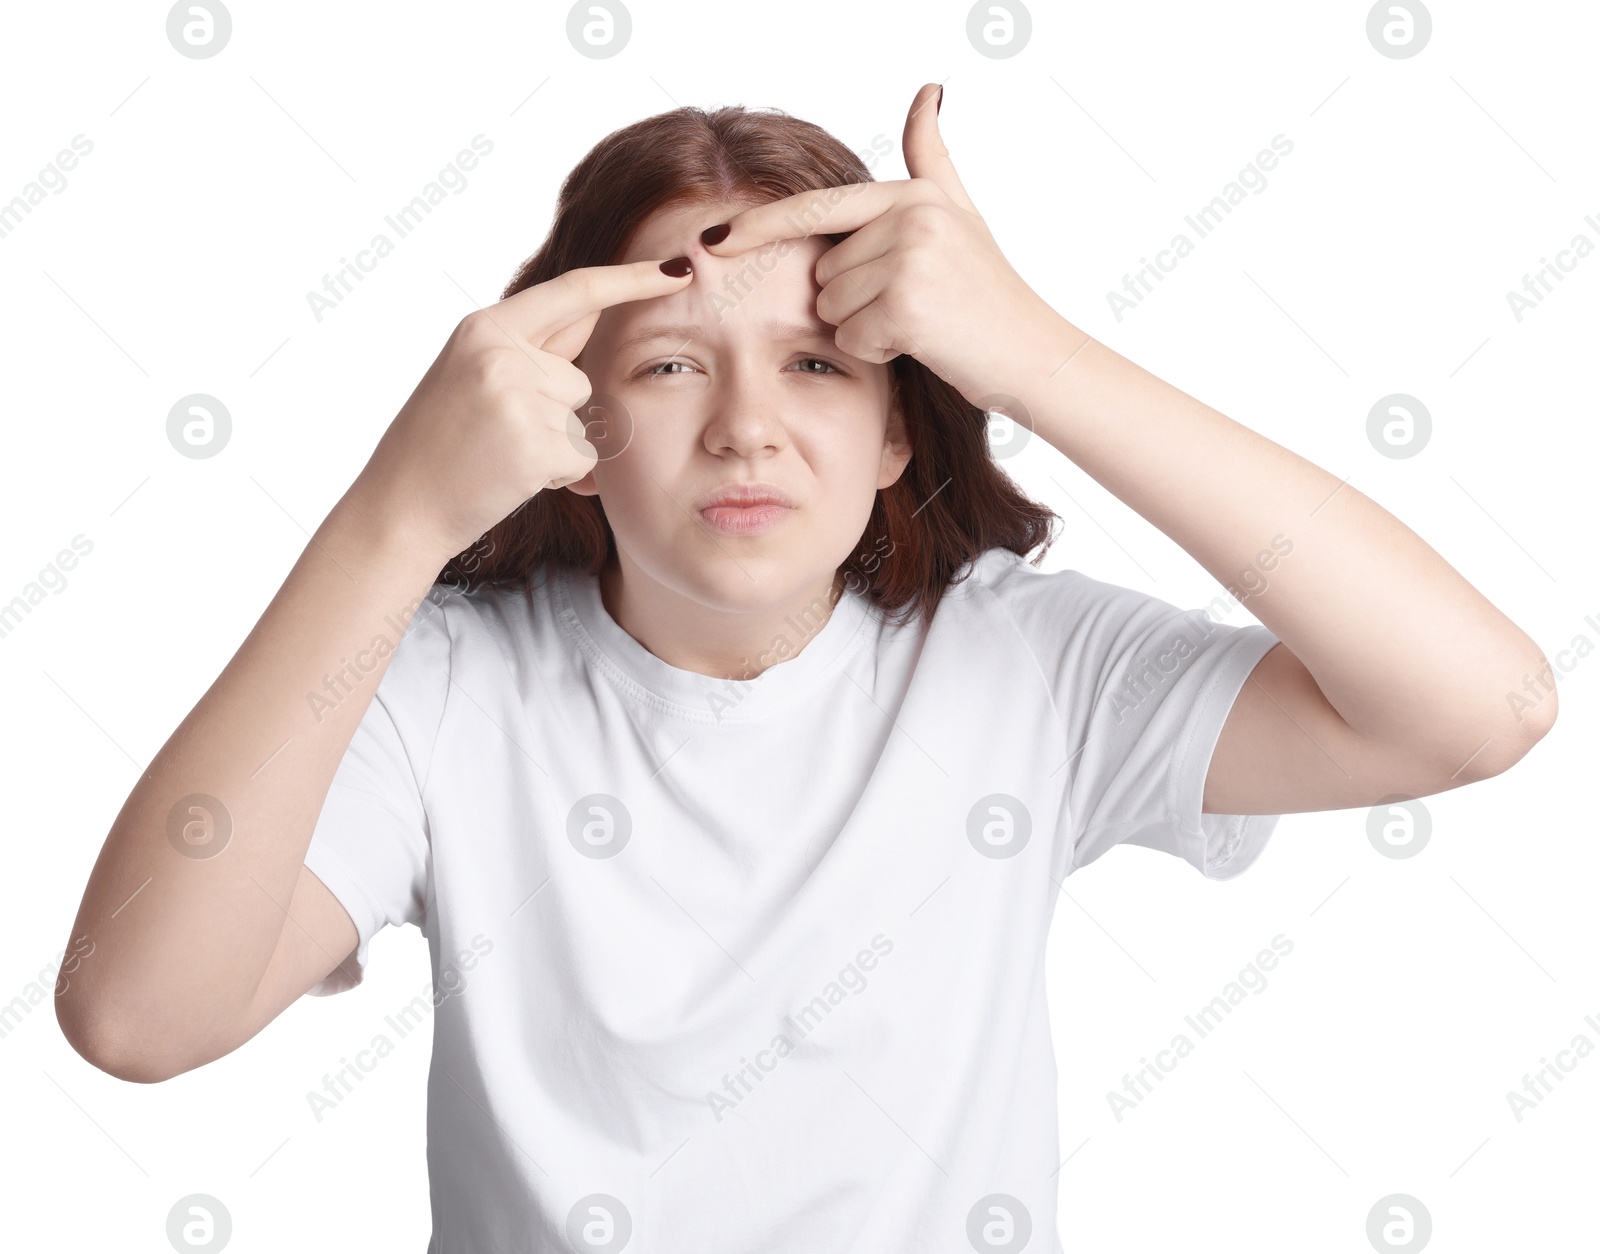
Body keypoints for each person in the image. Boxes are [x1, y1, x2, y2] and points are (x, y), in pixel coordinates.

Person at [56, 82, 1555, 1251]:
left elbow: (1482, 704)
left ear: (905, 426)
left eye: (818, 362)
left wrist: (1030, 349)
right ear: (569, 428)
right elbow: (136, 1016)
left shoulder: (1020, 663)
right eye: (665, 363)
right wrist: (394, 513)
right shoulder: (447, 687)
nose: (746, 426)